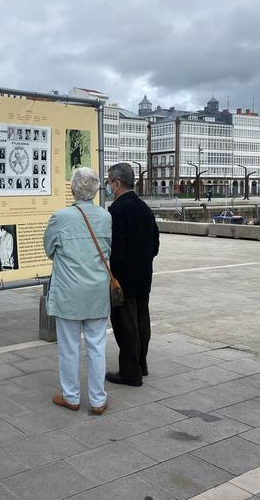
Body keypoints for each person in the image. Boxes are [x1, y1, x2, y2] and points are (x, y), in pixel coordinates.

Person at [44, 167, 111, 416]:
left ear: (72, 188)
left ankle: (71, 396)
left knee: (69, 346)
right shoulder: (106, 217)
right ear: (95, 190)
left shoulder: (60, 217)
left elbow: (49, 249)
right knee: (97, 345)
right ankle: (98, 400)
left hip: (69, 291)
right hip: (97, 290)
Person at [105, 163, 159, 386]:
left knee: (125, 325)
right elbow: (155, 244)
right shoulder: (145, 208)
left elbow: (116, 249)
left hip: (124, 278)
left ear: (117, 183)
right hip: (144, 274)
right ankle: (141, 364)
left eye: (109, 182)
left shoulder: (116, 210)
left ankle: (130, 372)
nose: (108, 186)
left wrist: (113, 274)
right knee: (141, 321)